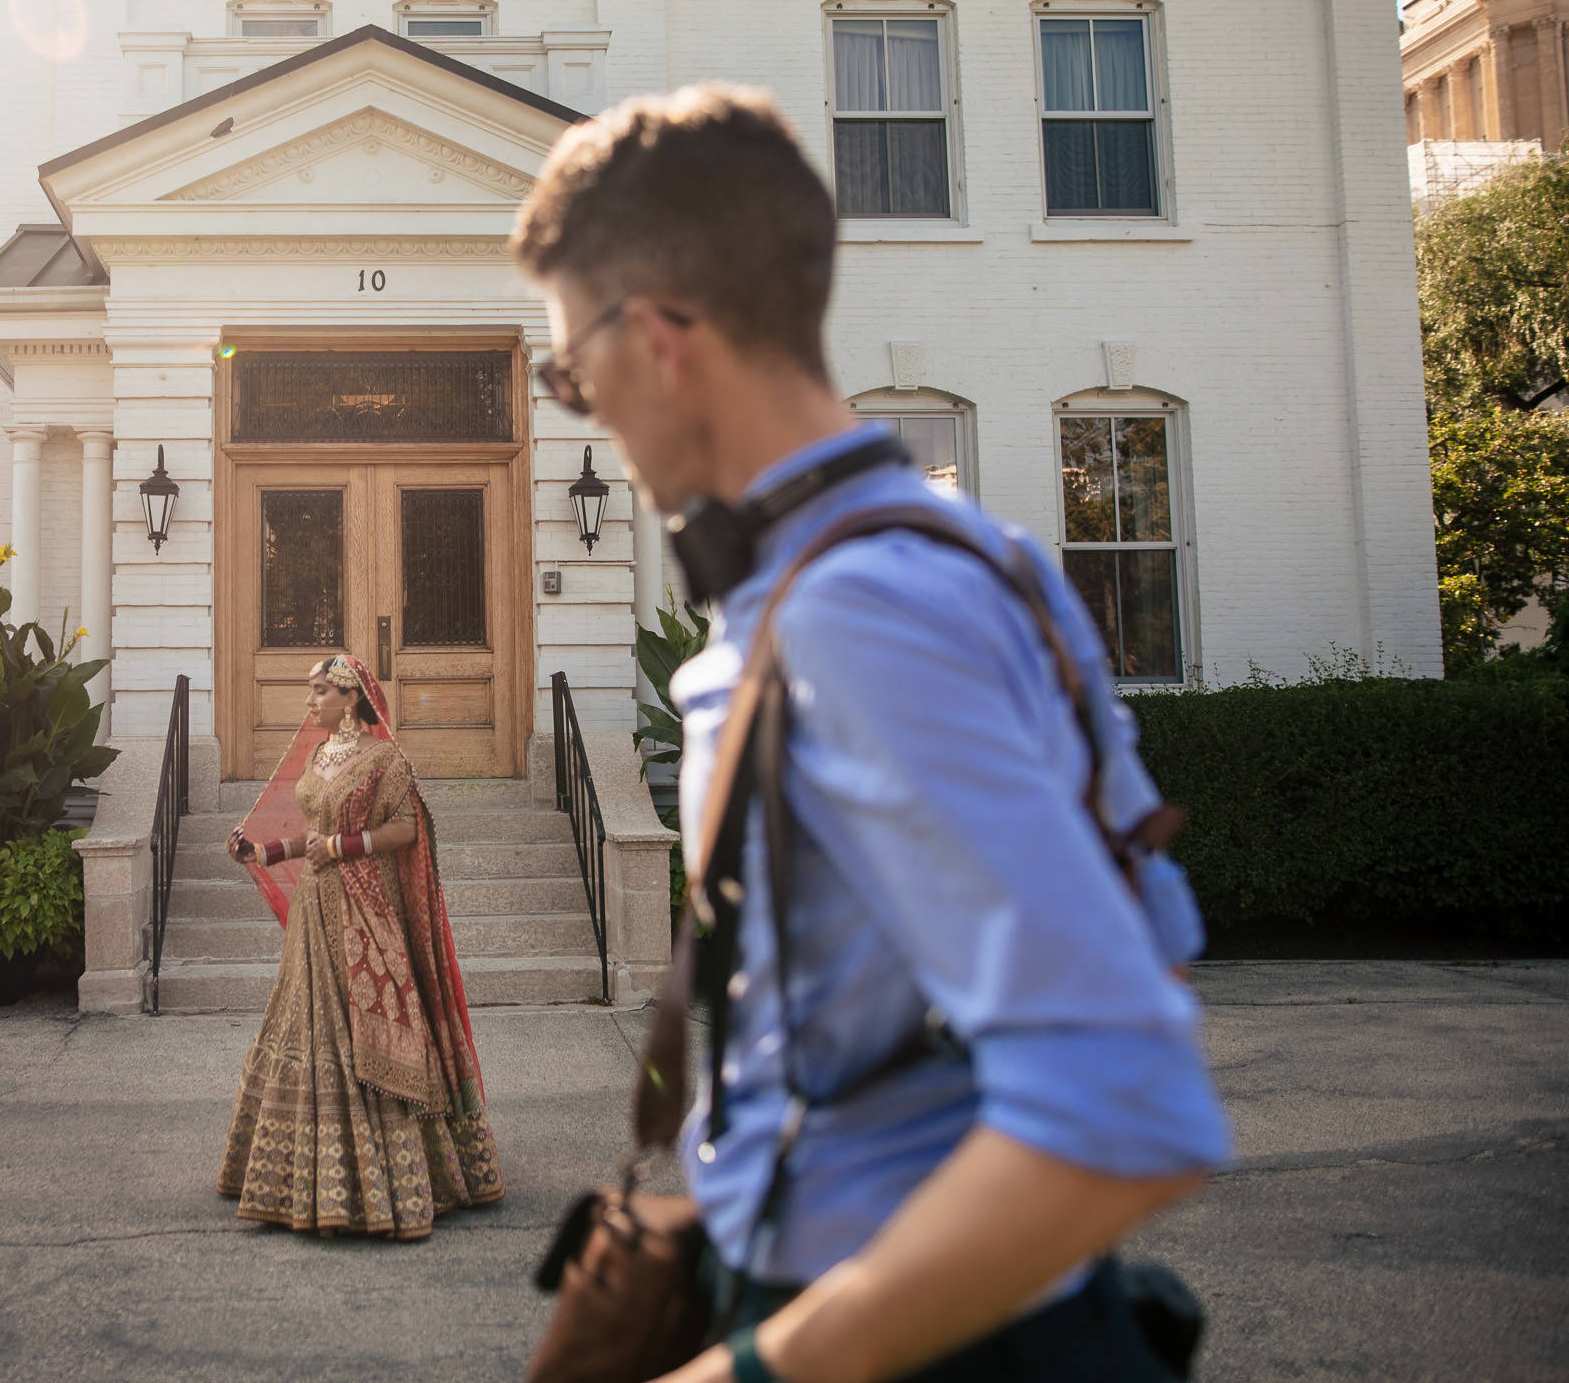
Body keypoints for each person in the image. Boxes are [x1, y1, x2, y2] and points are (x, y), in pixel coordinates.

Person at [510, 87, 1231, 1383]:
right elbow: (1141, 951)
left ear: (660, 341)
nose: (588, 417)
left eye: (572, 374)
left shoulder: (858, 613)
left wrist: (752, 1370)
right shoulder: (975, 555)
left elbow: (1126, 1089)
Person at [217, 653, 505, 1239]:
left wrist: (344, 849)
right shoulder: (321, 756)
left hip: (363, 908)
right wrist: (266, 853)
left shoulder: (385, 759)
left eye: (321, 691)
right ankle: (301, 1174)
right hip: (315, 913)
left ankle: (387, 1179)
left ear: (351, 697)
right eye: (311, 691)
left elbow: (407, 830)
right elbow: (313, 833)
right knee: (307, 1024)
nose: (310, 701)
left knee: (362, 1024)